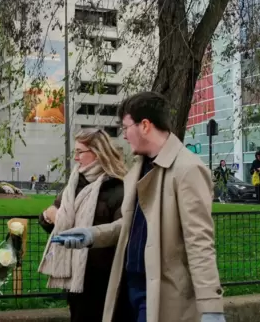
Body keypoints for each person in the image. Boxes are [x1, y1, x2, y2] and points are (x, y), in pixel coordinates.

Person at [56, 91, 224, 322]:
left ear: (145, 125)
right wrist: (91, 235)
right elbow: (130, 225)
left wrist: (210, 307)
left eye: (126, 128)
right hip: (128, 288)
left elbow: (200, 241)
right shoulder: (138, 169)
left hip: (162, 295)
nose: (124, 136)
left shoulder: (188, 169)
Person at [38, 128, 126, 322]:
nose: (76, 158)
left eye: (80, 152)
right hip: (76, 277)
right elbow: (51, 223)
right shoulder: (74, 183)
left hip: (104, 276)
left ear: (97, 152)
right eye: (75, 152)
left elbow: (123, 232)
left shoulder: (117, 186)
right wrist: (48, 216)